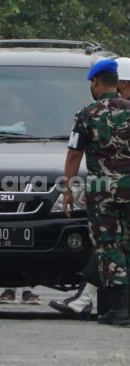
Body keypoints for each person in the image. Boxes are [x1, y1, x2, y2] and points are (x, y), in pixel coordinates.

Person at [64, 58, 130, 326]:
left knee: (107, 245)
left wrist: (67, 189)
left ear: (96, 82)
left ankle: (119, 308)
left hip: (102, 191)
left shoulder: (86, 114)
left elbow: (74, 155)